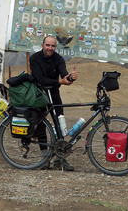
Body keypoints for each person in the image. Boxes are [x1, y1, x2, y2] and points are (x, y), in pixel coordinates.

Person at [29, 35, 78, 171]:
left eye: (53, 46)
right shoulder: (34, 58)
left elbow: (64, 74)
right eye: (48, 45)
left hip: (54, 93)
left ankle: (60, 159)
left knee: (59, 124)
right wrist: (60, 82)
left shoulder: (58, 59)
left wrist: (70, 78)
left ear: (55, 47)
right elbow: (40, 79)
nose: (50, 48)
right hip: (39, 94)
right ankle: (45, 158)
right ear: (43, 45)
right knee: (40, 127)